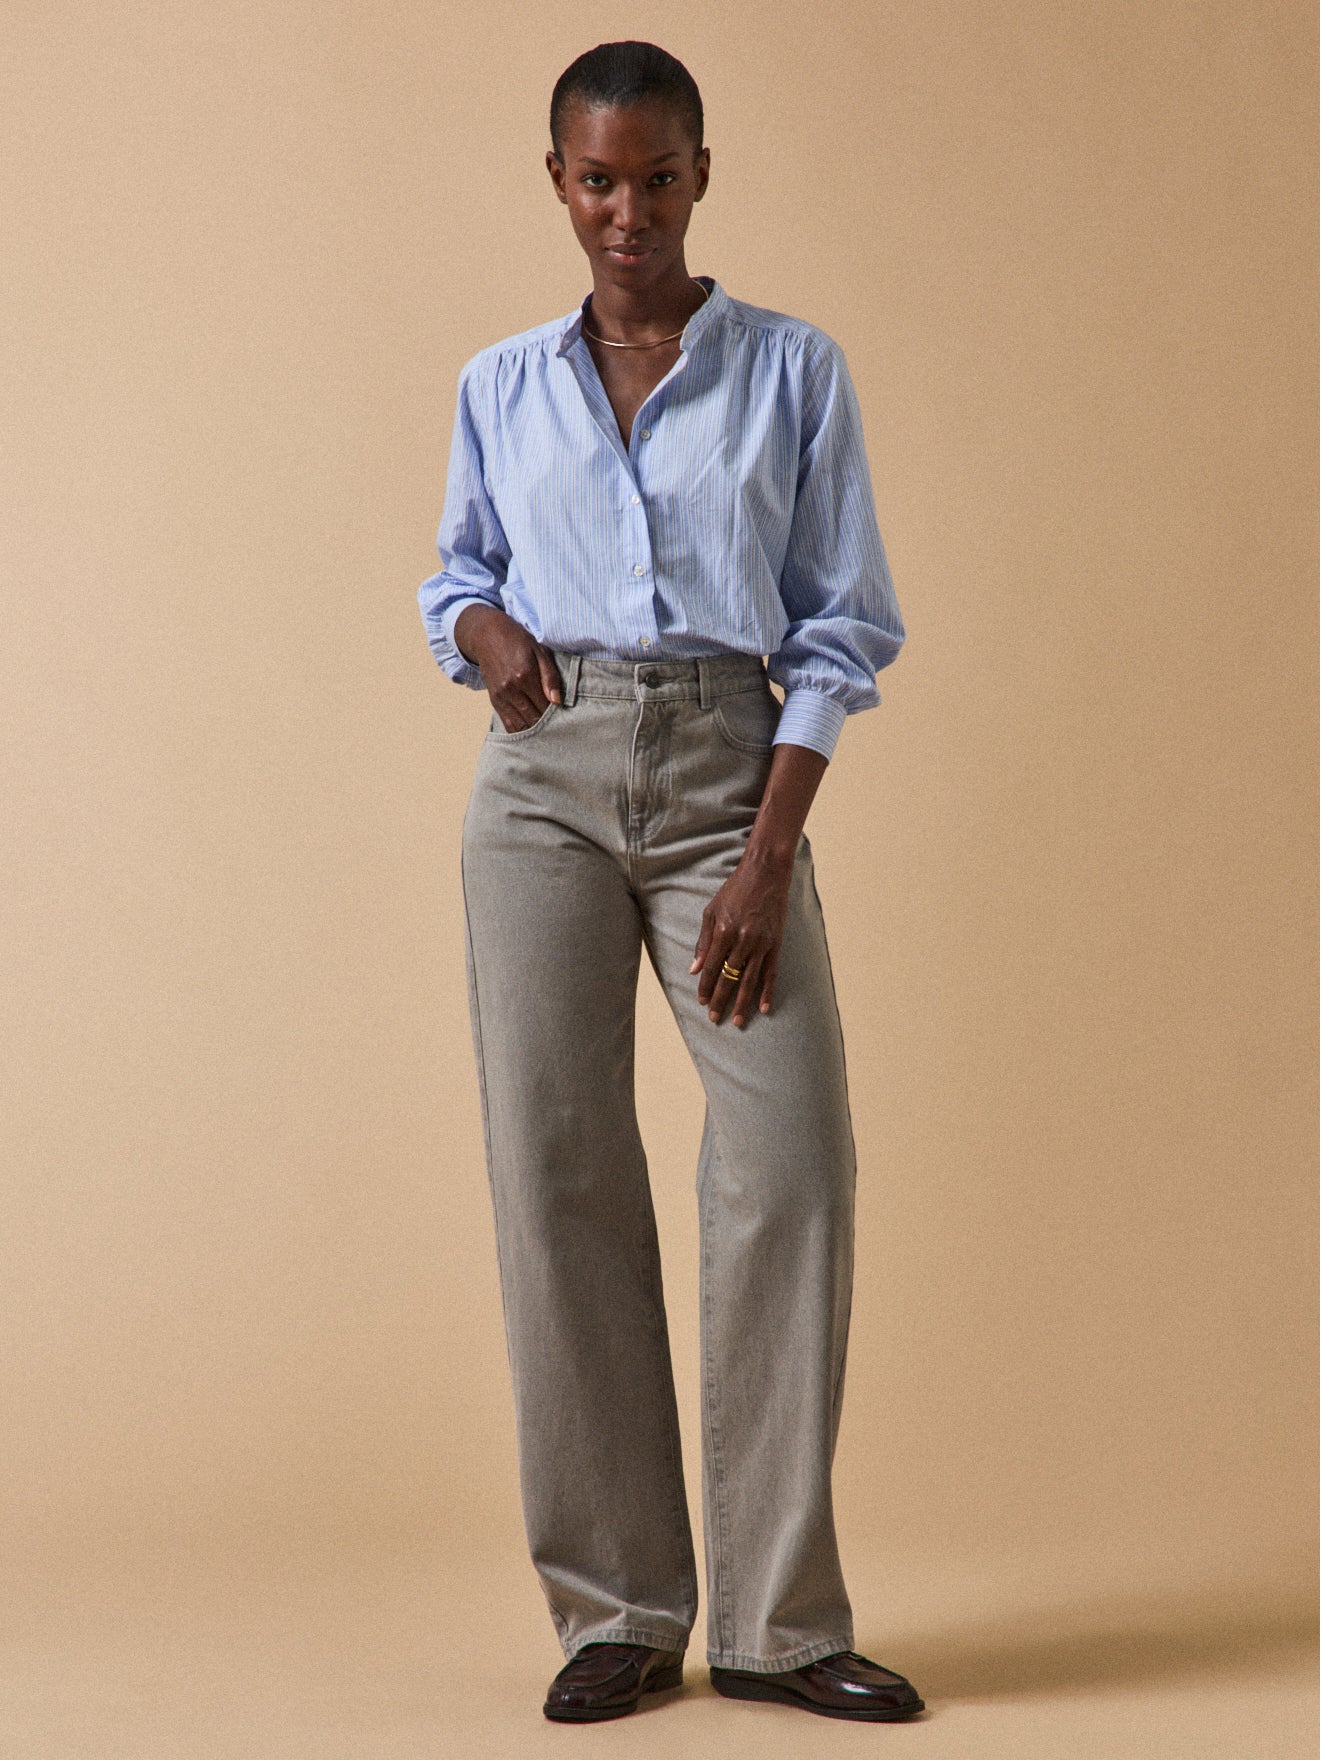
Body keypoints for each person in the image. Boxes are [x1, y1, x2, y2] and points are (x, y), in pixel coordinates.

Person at [416, 40, 925, 1725]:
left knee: (791, 1169)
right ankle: (619, 1609)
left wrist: (770, 852)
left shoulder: (793, 371)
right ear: (557, 185)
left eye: (656, 177)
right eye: (596, 181)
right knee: (556, 1176)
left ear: (703, 173)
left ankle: (778, 1620)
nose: (626, 211)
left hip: (730, 776)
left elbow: (840, 626)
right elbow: (456, 575)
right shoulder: (502, 383)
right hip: (541, 791)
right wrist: (482, 631)